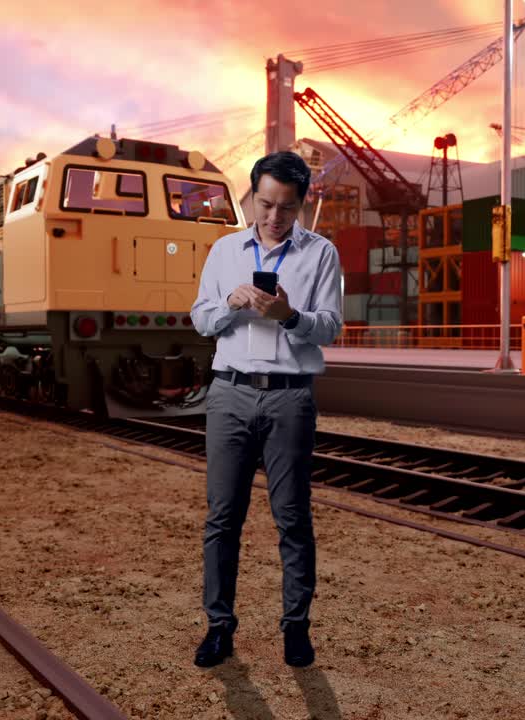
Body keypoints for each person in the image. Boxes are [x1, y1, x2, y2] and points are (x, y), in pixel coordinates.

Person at [189, 151, 342, 668]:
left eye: (287, 208)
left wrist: (290, 316)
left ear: (302, 205)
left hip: (289, 396)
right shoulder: (223, 250)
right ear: (251, 195)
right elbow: (200, 318)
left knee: (293, 518)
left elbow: (330, 327)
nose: (274, 217)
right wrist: (231, 306)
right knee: (222, 519)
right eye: (266, 203)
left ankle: (295, 629)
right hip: (229, 393)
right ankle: (218, 628)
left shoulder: (321, 254)